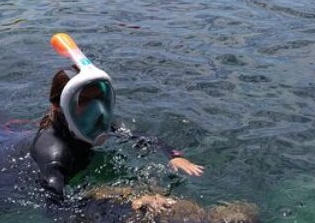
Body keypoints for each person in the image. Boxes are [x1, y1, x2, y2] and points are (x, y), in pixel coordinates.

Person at [31, 33, 204, 199]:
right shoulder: (54, 156)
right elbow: (58, 205)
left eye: (98, 98)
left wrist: (175, 156)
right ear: (58, 106)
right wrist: (119, 193)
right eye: (83, 101)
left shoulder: (93, 123)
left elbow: (144, 138)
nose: (96, 108)